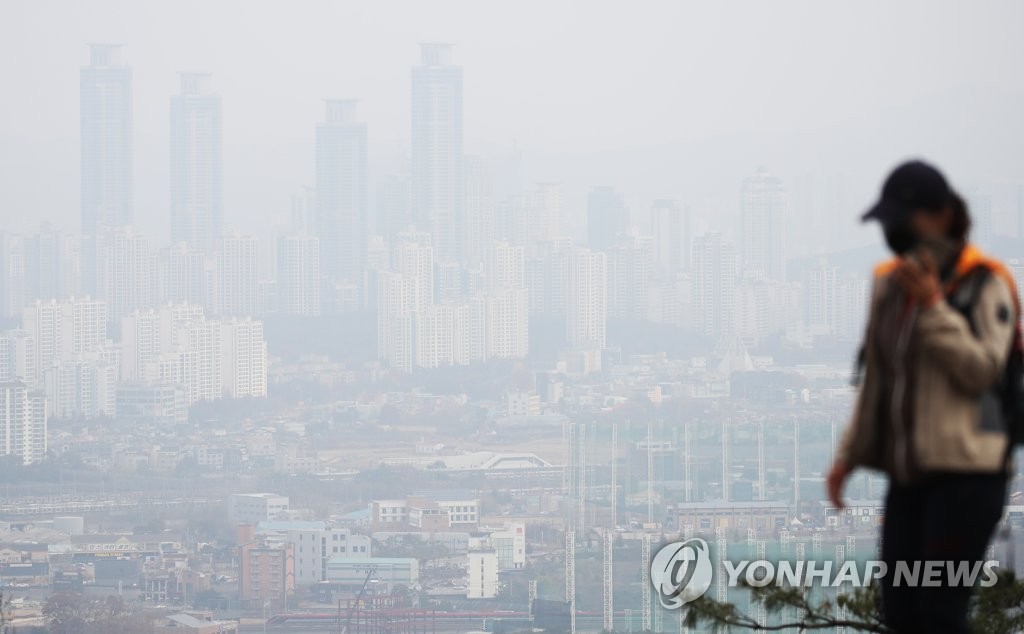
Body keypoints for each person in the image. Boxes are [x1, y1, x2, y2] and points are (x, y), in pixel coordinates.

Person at [826, 160, 1019, 634]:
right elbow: (878, 383)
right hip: (909, 475)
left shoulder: (985, 284)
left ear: (939, 216)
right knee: (901, 614)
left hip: (968, 477)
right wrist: (847, 458)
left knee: (939, 614)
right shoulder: (890, 285)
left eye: (902, 218)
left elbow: (982, 371)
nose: (893, 230)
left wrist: (934, 308)